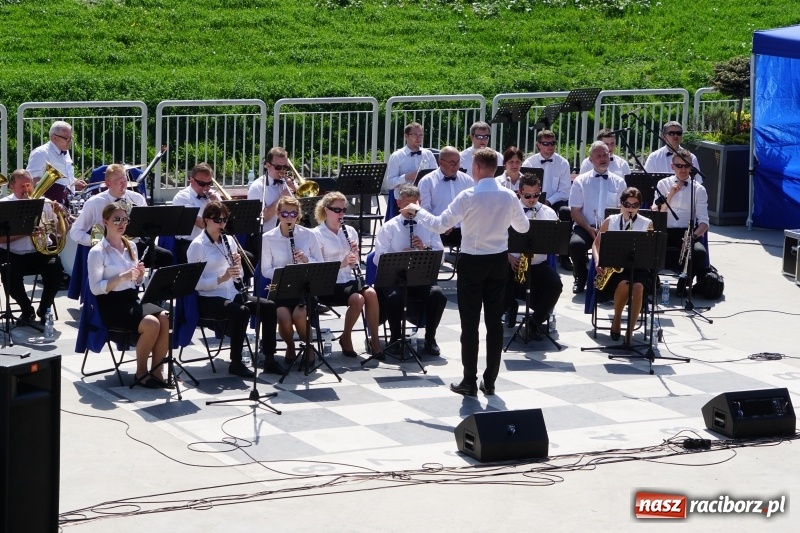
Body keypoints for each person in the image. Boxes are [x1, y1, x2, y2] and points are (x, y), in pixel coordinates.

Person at [402, 148, 528, 397]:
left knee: (470, 324)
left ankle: (469, 380)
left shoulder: (468, 195)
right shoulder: (508, 196)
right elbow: (523, 228)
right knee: (494, 323)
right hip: (497, 261)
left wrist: (417, 209)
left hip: (473, 262)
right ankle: (490, 381)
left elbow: (440, 225)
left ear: (477, 168)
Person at [187, 202, 284, 378]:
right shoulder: (197, 246)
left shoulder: (229, 240)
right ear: (207, 220)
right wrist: (221, 278)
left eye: (224, 220)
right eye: (218, 220)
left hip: (231, 293)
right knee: (241, 312)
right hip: (208, 298)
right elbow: (195, 284)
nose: (222, 224)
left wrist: (238, 267)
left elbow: (237, 276)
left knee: (269, 306)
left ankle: (269, 358)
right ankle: (236, 362)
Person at [87, 203, 169, 389]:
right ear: (105, 222)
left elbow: (136, 283)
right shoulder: (97, 252)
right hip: (111, 305)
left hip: (131, 300)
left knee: (165, 317)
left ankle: (157, 371)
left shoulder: (131, 245)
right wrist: (122, 277)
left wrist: (139, 277)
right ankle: (141, 372)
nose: (122, 223)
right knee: (152, 323)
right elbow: (95, 289)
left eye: (125, 220)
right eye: (117, 219)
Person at [374, 185, 448, 357]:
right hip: (395, 279)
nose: (411, 208)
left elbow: (441, 256)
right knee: (394, 297)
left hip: (421, 278)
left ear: (419, 203)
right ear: (399, 204)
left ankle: (430, 338)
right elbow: (378, 258)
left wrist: (424, 249)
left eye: (414, 204)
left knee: (437, 294)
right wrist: (399, 256)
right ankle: (395, 338)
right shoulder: (389, 227)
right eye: (407, 204)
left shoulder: (428, 226)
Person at [312, 192, 383, 357]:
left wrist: (355, 255)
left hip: (349, 279)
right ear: (326, 210)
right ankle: (346, 337)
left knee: (371, 293)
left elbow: (354, 263)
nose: (341, 214)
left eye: (344, 210)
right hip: (329, 284)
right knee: (358, 299)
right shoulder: (316, 234)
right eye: (337, 210)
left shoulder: (350, 231)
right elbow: (318, 268)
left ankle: (374, 341)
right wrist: (342, 263)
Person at [69, 163, 173, 268]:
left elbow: (147, 226)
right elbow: (75, 232)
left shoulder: (137, 198)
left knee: (165, 256)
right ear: (108, 183)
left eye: (125, 181)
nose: (123, 185)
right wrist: (97, 241)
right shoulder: (94, 203)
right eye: (118, 182)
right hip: (109, 250)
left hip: (134, 245)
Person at [261, 196, 323, 367]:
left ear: (298, 215)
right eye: (285, 214)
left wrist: (305, 259)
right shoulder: (268, 238)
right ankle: (290, 345)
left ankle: (309, 347)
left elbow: (320, 263)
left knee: (299, 315)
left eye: (293, 214)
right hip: (281, 287)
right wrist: (285, 273)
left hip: (304, 288)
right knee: (283, 318)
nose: (289, 218)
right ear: (278, 214)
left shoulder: (309, 235)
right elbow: (265, 269)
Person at [503, 174, 563, 340]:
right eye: (527, 196)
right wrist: (509, 257)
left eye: (536, 195)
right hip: (513, 263)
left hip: (537, 264)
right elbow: (497, 238)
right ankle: (510, 306)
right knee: (498, 280)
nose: (532, 199)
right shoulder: (508, 211)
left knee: (555, 284)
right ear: (519, 192)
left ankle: (534, 324)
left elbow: (556, 242)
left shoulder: (548, 213)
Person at [0, 169, 63, 325]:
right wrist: (26, 233)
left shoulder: (45, 202)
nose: (27, 189)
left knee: (56, 269)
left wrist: (61, 215)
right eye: (22, 186)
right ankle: (27, 310)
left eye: (29, 185)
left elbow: (61, 232)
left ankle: (44, 309)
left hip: (40, 252)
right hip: (14, 253)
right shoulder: (4, 205)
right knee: (8, 273)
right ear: (12, 187)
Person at [593, 187, 653, 344]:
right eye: (627, 204)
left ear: (639, 206)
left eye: (635, 205)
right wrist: (597, 261)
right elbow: (596, 244)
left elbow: (649, 252)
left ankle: (629, 333)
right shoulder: (610, 221)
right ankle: (617, 319)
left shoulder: (647, 223)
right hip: (614, 268)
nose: (630, 208)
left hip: (638, 267)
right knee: (624, 284)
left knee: (638, 286)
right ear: (621, 204)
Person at [568, 141, 628, 294]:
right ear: (590, 159)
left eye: (605, 155)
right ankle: (580, 277)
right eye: (598, 156)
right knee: (576, 244)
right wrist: (589, 229)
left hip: (611, 229)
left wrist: (607, 229)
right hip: (586, 226)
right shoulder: (580, 181)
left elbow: (623, 210)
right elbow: (575, 211)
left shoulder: (620, 182)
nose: (602, 159)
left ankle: (613, 281)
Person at [653, 149, 710, 294]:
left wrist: (693, 236)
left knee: (699, 252)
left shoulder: (699, 189)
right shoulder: (662, 184)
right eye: (679, 166)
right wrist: (670, 195)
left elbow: (704, 222)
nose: (683, 169)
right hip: (663, 230)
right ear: (672, 167)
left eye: (686, 166)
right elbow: (657, 213)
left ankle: (685, 280)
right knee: (644, 246)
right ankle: (652, 278)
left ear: (692, 167)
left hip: (686, 232)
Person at [522, 130, 574, 271]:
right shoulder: (529, 162)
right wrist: (536, 199)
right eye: (546, 144)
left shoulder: (562, 163)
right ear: (538, 145)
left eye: (552, 143)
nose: (550, 146)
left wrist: (549, 201)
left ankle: (564, 255)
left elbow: (565, 191)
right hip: (532, 198)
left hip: (554, 200)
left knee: (565, 212)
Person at [417, 146, 473, 248]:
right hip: (436, 230)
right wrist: (442, 225)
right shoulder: (427, 181)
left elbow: (472, 206)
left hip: (464, 229)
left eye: (458, 162)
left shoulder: (467, 180)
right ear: (441, 162)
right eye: (452, 162)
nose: (456, 165)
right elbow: (424, 210)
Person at [171, 162, 222, 264]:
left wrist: (217, 203)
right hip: (189, 243)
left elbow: (225, 219)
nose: (206, 188)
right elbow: (201, 224)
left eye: (209, 184)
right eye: (202, 184)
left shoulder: (213, 196)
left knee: (246, 257)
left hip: (212, 241)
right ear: (192, 180)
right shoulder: (182, 197)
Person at [26, 120, 87, 202]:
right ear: (54, 138)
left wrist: (74, 181)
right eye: (67, 138)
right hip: (49, 202)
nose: (70, 141)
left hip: (66, 200)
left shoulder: (65, 151)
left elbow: (65, 175)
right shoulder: (40, 153)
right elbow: (31, 180)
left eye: (71, 138)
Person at [384, 122, 438, 199]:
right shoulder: (397, 156)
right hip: (404, 199)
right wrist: (406, 177)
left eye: (421, 135)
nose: (418, 138)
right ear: (406, 136)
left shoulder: (428, 154)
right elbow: (389, 184)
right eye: (415, 135)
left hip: (425, 196)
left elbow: (436, 176)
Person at [247, 147, 296, 231]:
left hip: (289, 232)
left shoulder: (289, 182)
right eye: (278, 167)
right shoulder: (257, 187)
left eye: (285, 167)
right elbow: (259, 218)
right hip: (266, 234)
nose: (282, 170)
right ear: (267, 165)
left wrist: (295, 190)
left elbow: (304, 207)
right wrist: (281, 199)